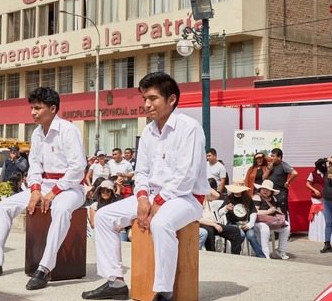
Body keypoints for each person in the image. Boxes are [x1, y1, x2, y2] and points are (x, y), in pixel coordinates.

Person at [82, 72, 209, 301]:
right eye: (144, 99)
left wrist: (157, 203)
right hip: (152, 197)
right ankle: (115, 282)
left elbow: (186, 176)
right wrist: (142, 199)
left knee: (161, 222)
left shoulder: (189, 127)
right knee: (103, 216)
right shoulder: (149, 131)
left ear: (171, 100)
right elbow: (141, 172)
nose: (147, 104)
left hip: (187, 198)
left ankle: (164, 291)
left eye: (152, 98)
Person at [0, 87, 87, 291]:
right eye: (32, 108)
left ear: (53, 108)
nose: (33, 112)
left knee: (61, 209)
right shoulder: (37, 133)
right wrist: (36, 190)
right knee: (4, 207)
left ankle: (45, 268)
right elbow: (35, 166)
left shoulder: (68, 130)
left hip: (71, 188)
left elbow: (78, 168)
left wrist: (54, 192)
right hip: (43, 186)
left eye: (38, 108)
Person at [220, 181, 266, 258]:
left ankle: (261, 256)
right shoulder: (229, 198)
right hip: (233, 223)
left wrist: (250, 224)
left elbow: (253, 212)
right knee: (240, 234)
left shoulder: (247, 198)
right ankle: (236, 254)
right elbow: (220, 212)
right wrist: (226, 208)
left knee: (251, 236)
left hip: (245, 223)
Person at [198, 178, 243, 254]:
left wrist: (204, 184)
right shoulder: (194, 199)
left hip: (213, 223)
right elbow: (197, 219)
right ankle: (212, 255)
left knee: (235, 231)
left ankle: (236, 255)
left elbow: (217, 195)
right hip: (203, 224)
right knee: (209, 231)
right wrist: (214, 224)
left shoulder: (205, 196)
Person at [253, 180, 291, 260]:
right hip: (258, 221)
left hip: (271, 221)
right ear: (260, 189)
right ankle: (265, 253)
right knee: (265, 228)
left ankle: (281, 250)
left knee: (286, 226)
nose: (265, 191)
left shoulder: (274, 199)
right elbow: (254, 212)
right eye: (263, 189)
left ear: (271, 192)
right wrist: (267, 212)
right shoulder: (257, 197)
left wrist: (277, 211)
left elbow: (278, 210)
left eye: (268, 189)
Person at [263, 148, 298, 220]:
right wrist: (269, 170)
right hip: (271, 194)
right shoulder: (270, 165)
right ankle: (275, 230)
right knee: (272, 213)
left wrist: (288, 182)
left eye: (273, 156)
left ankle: (285, 229)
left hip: (280, 194)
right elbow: (264, 178)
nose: (271, 158)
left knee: (282, 213)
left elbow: (295, 173)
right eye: (271, 156)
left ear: (279, 157)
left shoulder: (283, 165)